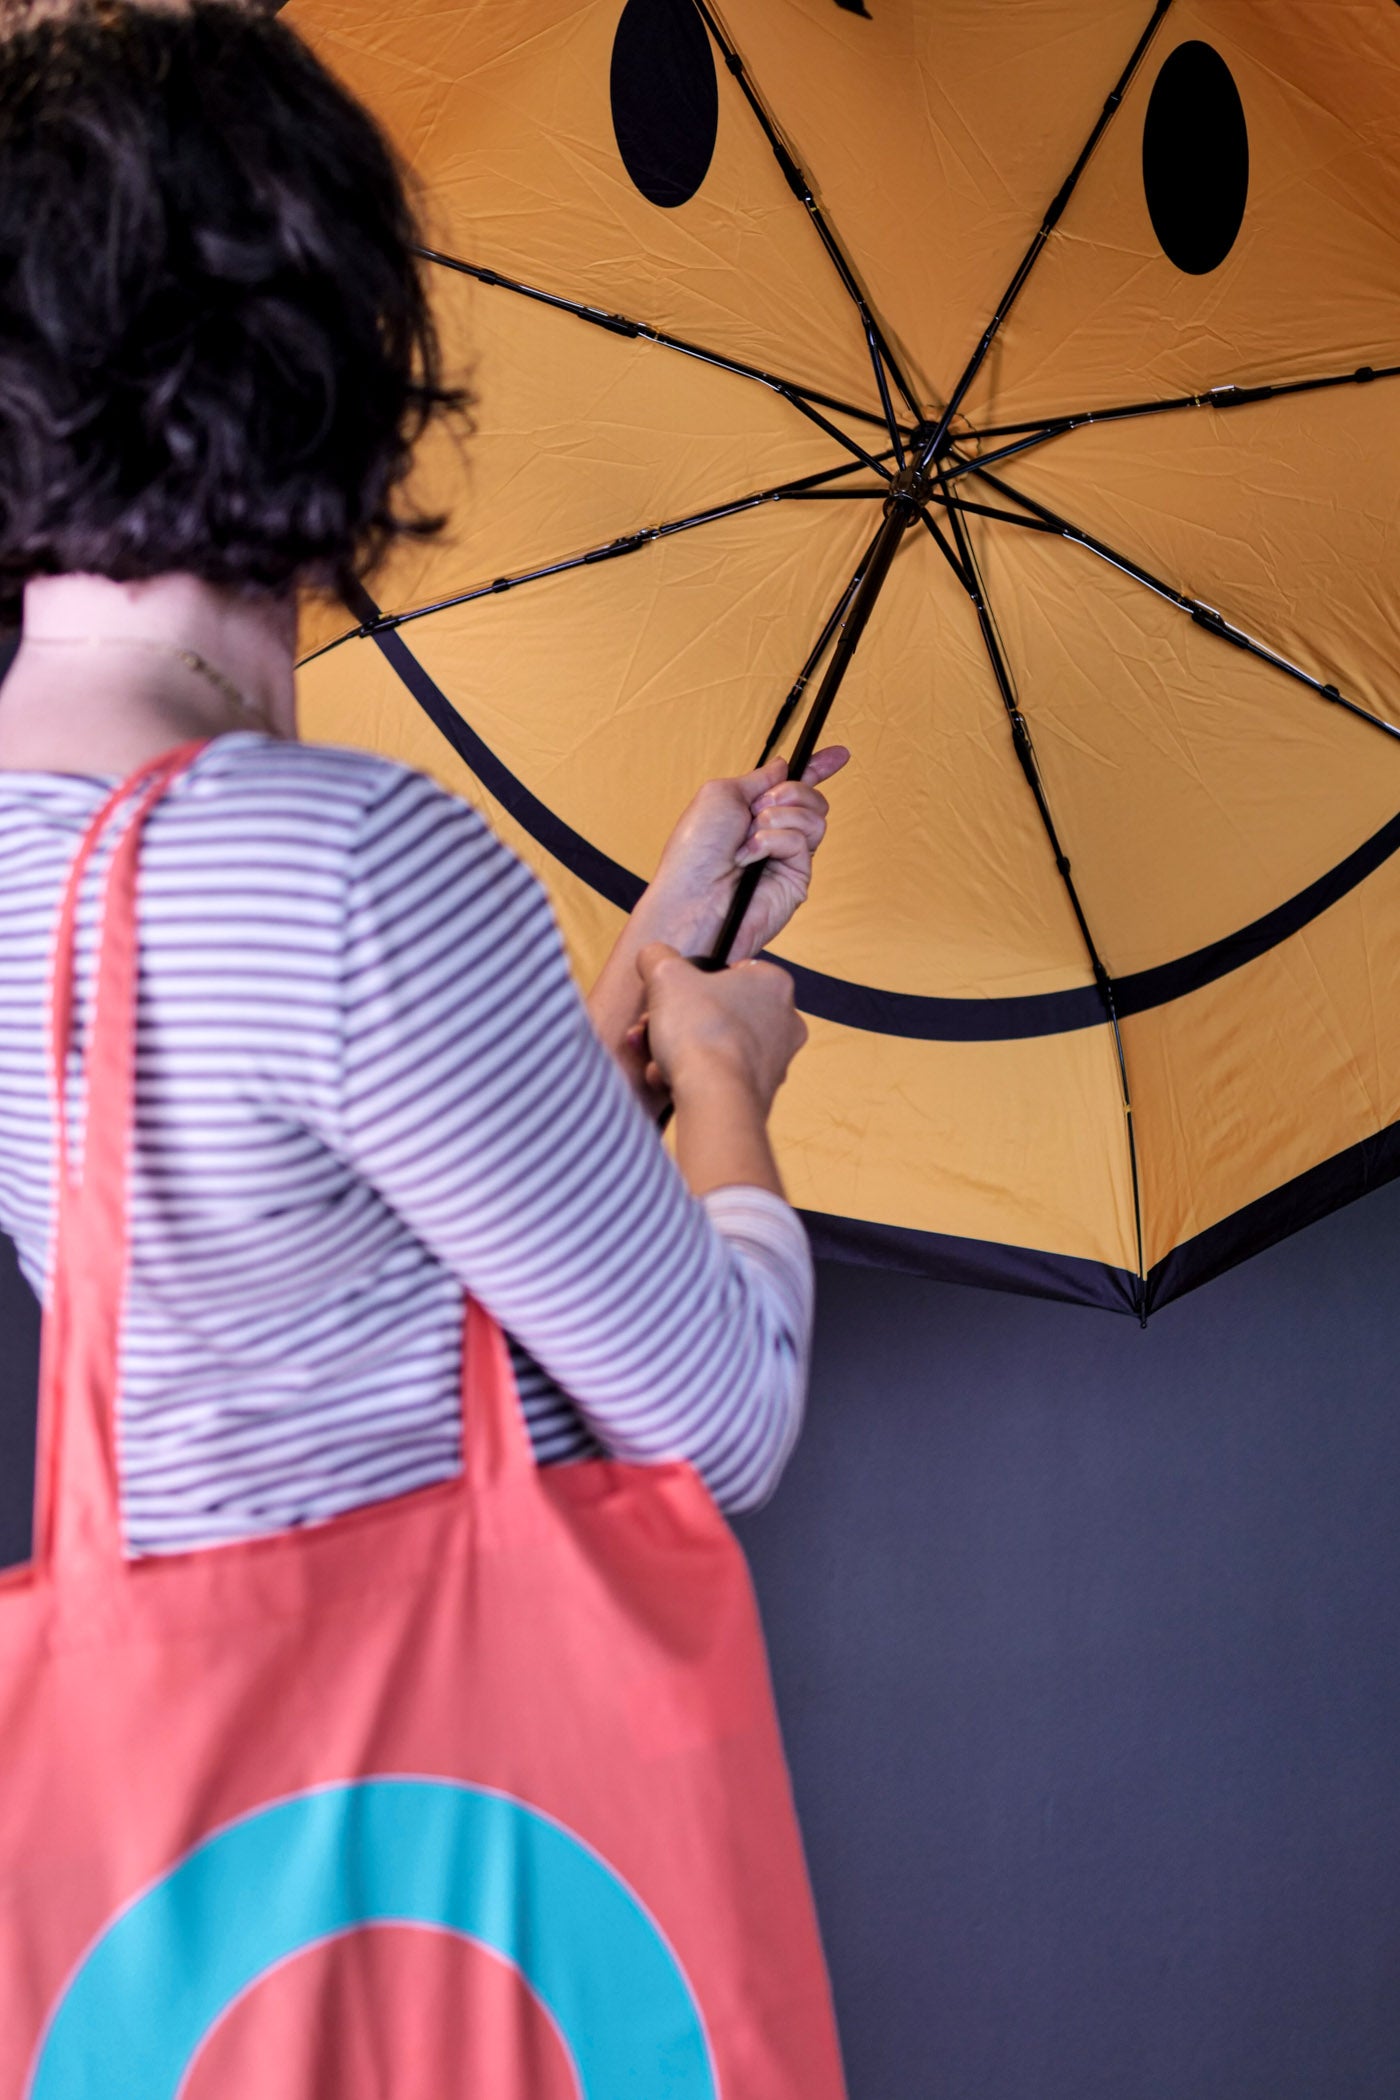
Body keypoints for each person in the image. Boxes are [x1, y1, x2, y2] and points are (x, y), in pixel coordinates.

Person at [0, 0, 846, 1553]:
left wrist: (657, 961)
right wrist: (725, 1065)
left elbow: (350, 1276)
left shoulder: (41, 850)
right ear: (323, 355)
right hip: (469, 1774)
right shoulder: (340, 864)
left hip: (234, 1779)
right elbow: (723, 1421)